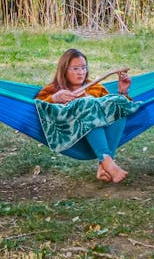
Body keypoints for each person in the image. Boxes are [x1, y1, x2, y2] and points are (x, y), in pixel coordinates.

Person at [35, 48, 133, 183]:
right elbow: (37, 109)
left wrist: (123, 92)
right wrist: (54, 99)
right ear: (64, 70)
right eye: (75, 69)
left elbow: (119, 109)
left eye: (83, 68)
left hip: (100, 135)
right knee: (87, 104)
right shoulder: (53, 90)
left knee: (118, 105)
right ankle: (107, 161)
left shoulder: (95, 88)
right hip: (70, 136)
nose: (81, 72)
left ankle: (104, 165)